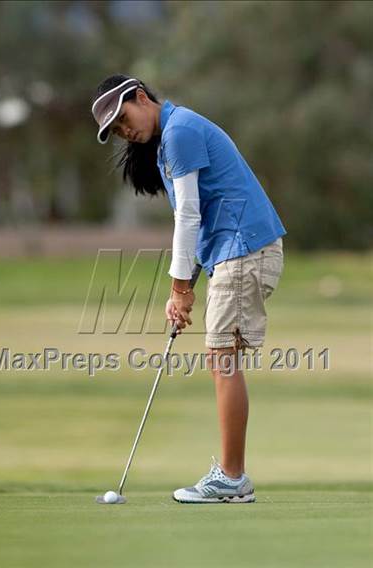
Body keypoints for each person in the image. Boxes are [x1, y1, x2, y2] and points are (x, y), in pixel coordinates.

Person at [92, 74, 286, 504]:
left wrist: (179, 288)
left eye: (124, 119)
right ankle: (232, 477)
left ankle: (233, 479)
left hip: (246, 250)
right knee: (222, 357)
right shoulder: (170, 139)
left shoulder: (179, 133)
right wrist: (185, 289)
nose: (126, 132)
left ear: (141, 97)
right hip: (234, 252)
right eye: (118, 131)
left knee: (222, 358)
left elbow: (190, 219)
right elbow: (200, 223)